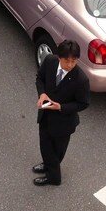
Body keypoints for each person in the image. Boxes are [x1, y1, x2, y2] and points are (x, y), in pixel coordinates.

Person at [33, 39, 90, 186]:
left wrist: (61, 107)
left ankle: (54, 178)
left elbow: (83, 104)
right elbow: (40, 78)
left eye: (74, 61)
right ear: (59, 57)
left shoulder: (81, 80)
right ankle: (47, 164)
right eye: (66, 60)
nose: (70, 65)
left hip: (64, 122)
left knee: (57, 150)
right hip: (45, 114)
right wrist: (42, 94)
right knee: (45, 144)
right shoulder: (50, 61)